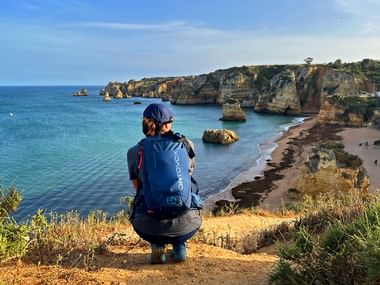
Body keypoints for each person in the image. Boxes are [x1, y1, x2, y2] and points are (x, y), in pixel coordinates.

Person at [127, 103, 202, 264]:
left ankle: (157, 245)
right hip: (187, 225)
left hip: (148, 227)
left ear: (147, 123)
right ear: (168, 124)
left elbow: (138, 187)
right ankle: (179, 246)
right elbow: (187, 176)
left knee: (144, 198)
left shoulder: (135, 151)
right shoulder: (187, 144)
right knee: (186, 197)